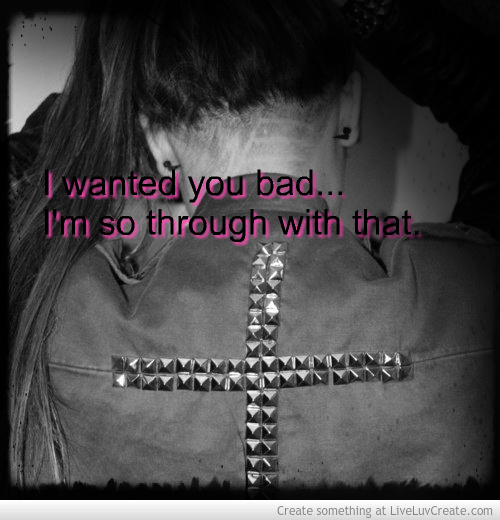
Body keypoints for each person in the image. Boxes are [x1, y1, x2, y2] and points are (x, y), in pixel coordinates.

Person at [8, 0, 499, 497]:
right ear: (350, 106)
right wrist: (369, 9)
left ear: (157, 143)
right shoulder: (467, 299)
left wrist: (97, 103)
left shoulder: (51, 319)